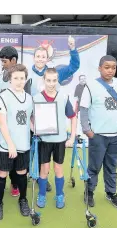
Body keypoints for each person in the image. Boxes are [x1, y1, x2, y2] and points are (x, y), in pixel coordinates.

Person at [79, 55, 117, 210]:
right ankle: (89, 191)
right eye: (106, 67)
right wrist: (87, 130)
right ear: (99, 68)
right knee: (94, 167)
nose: (110, 70)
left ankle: (111, 193)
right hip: (98, 136)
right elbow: (84, 109)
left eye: (113, 67)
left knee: (112, 166)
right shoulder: (90, 86)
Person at [33, 68, 77, 209]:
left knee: (58, 169)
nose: (51, 83)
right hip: (44, 141)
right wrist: (34, 129)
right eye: (48, 80)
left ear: (57, 80)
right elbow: (30, 117)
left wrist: (72, 137)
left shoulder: (63, 97)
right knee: (44, 169)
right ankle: (42, 195)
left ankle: (59, 195)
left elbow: (72, 117)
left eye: (54, 80)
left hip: (59, 141)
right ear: (43, 80)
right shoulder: (36, 98)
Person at [0, 64, 33, 219]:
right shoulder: (2, 97)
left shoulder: (29, 98)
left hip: (23, 143)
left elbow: (29, 120)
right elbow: (2, 123)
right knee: (2, 173)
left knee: (22, 172)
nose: (19, 81)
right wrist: (10, 144)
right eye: (15, 78)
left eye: (22, 78)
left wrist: (38, 129)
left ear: (25, 79)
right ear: (10, 79)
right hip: (6, 145)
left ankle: (23, 199)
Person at [0, 46, 21, 197]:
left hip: (17, 127)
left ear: (13, 60)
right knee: (1, 157)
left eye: (4, 61)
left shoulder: (22, 78)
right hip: (0, 125)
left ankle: (15, 183)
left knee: (16, 157)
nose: (2, 64)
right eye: (1, 61)